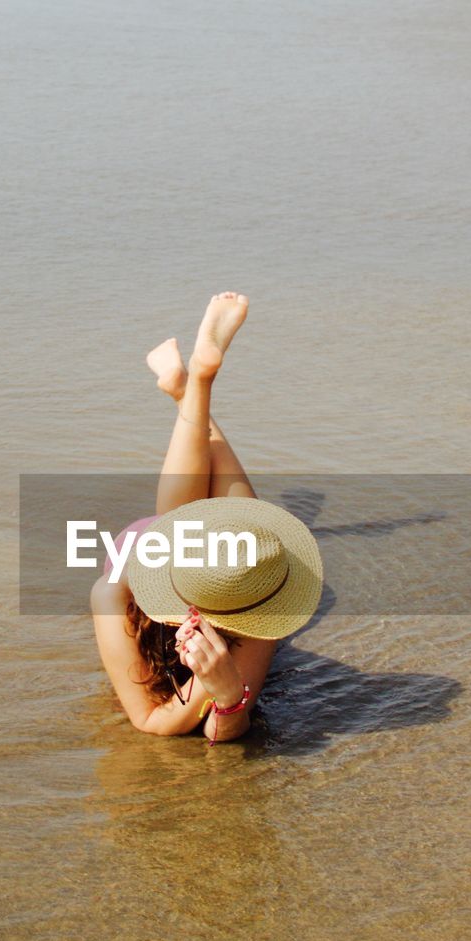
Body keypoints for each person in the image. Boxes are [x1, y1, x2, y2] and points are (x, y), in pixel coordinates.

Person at [90, 293, 323, 745]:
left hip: (182, 547)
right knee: (232, 521)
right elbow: (149, 720)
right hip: (150, 551)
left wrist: (227, 693)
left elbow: (220, 731)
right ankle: (191, 386)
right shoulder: (113, 594)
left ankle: (192, 387)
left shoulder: (252, 594)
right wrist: (220, 693)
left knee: (229, 526)